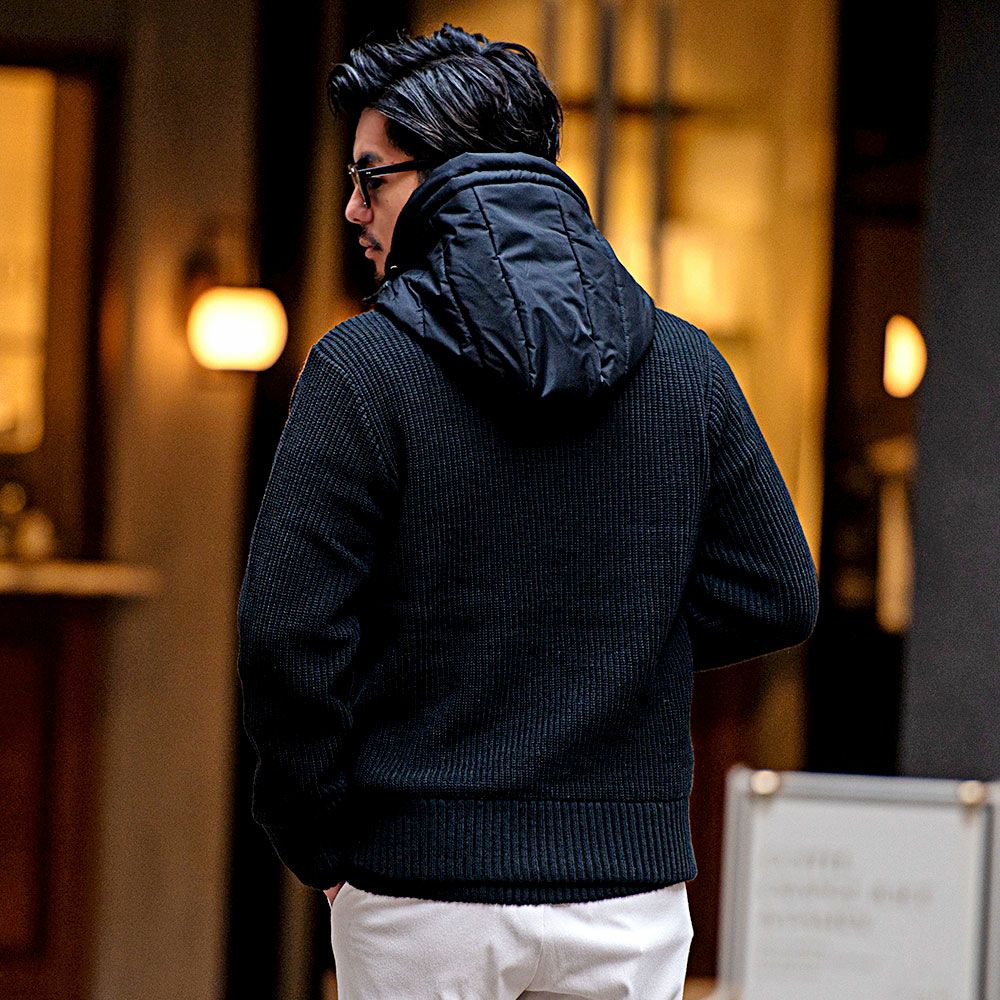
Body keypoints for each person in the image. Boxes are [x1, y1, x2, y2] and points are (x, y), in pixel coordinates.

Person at [236, 23, 819, 1000]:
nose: (351, 209)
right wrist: (608, 634)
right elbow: (778, 593)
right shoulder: (684, 366)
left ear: (448, 176)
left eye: (371, 177)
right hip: (626, 893)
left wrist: (320, 843)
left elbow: (285, 637)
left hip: (420, 887)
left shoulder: (362, 369)